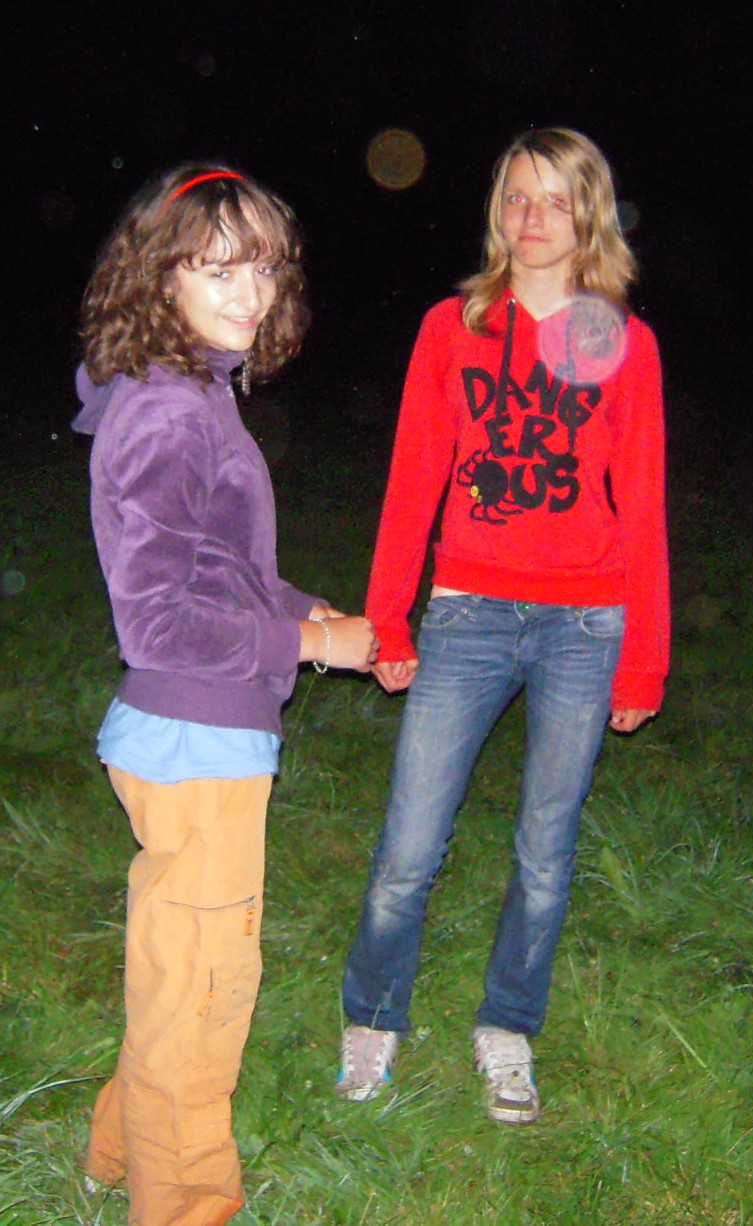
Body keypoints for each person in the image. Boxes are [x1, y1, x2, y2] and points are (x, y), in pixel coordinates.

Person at [336, 128, 669, 1124]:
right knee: (409, 843)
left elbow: (643, 506)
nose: (534, 218)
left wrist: (644, 662)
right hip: (468, 614)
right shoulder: (455, 326)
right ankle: (373, 1017)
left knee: (544, 851)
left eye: (557, 200)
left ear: (588, 214)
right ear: (497, 210)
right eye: (518, 196)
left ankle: (508, 1026)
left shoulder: (622, 341)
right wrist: (389, 618)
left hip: (585, 623)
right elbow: (413, 477)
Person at [73, 164, 378, 1224]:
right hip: (196, 741)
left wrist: (309, 611)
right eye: (219, 270)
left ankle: (116, 1156)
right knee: (203, 1003)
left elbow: (215, 568)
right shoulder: (170, 410)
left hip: (196, 733)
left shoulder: (195, 390)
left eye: (265, 268)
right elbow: (155, 620)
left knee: (180, 979)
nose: (251, 293)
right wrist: (309, 643)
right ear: (160, 277)